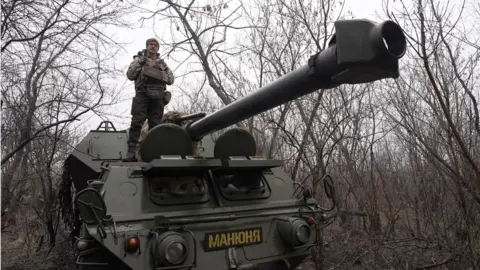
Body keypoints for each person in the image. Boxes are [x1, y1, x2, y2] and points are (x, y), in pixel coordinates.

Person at [123, 38, 174, 162]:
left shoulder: (162, 64)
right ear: (147, 46)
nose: (153, 47)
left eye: (156, 45)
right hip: (142, 94)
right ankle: (131, 152)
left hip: (158, 97)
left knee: (155, 126)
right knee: (136, 123)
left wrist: (161, 74)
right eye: (151, 44)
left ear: (158, 48)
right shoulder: (139, 60)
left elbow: (171, 79)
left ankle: (153, 152)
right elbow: (130, 75)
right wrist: (140, 63)